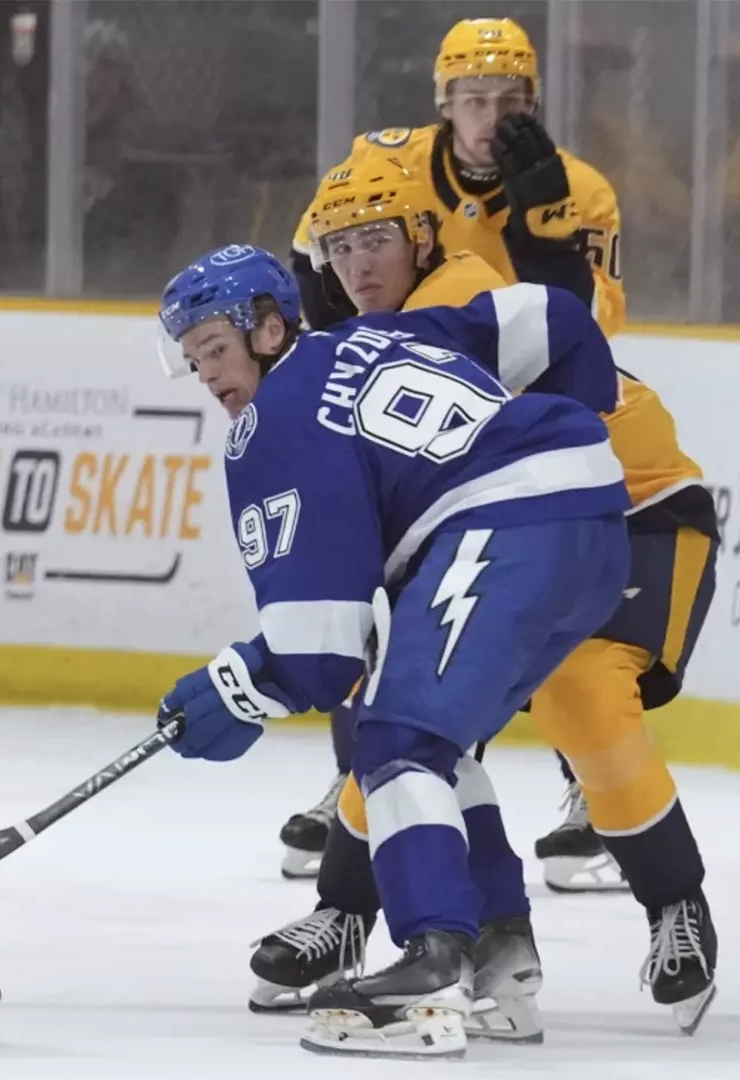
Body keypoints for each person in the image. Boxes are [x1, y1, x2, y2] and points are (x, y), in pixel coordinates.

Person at [248, 154, 720, 1037]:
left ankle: (674, 905)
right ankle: (365, 914)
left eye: (376, 239)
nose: (357, 266)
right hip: (515, 517)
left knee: (575, 694)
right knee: (406, 705)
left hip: (638, 510)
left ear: (421, 238)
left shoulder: (437, 303)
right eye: (338, 247)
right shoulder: (375, 329)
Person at [156, 241, 631, 1058]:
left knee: (394, 738)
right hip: (590, 514)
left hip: (505, 526)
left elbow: (322, 652)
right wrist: (562, 429)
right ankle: (501, 959)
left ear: (269, 330)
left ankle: (432, 968)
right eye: (194, 361)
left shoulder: (270, 426)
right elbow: (551, 317)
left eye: (215, 351)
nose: (207, 376)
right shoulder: (379, 335)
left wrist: (236, 685)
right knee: (430, 739)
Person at [277, 16, 632, 888]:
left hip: (529, 414)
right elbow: (310, 250)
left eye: (508, 99)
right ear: (442, 103)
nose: (489, 114)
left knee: (550, 614)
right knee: (379, 596)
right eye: (473, 99)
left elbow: (597, 325)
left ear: (534, 101)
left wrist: (543, 233)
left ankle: (586, 784)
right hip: (415, 421)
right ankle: (358, 778)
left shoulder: (578, 187)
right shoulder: (386, 160)